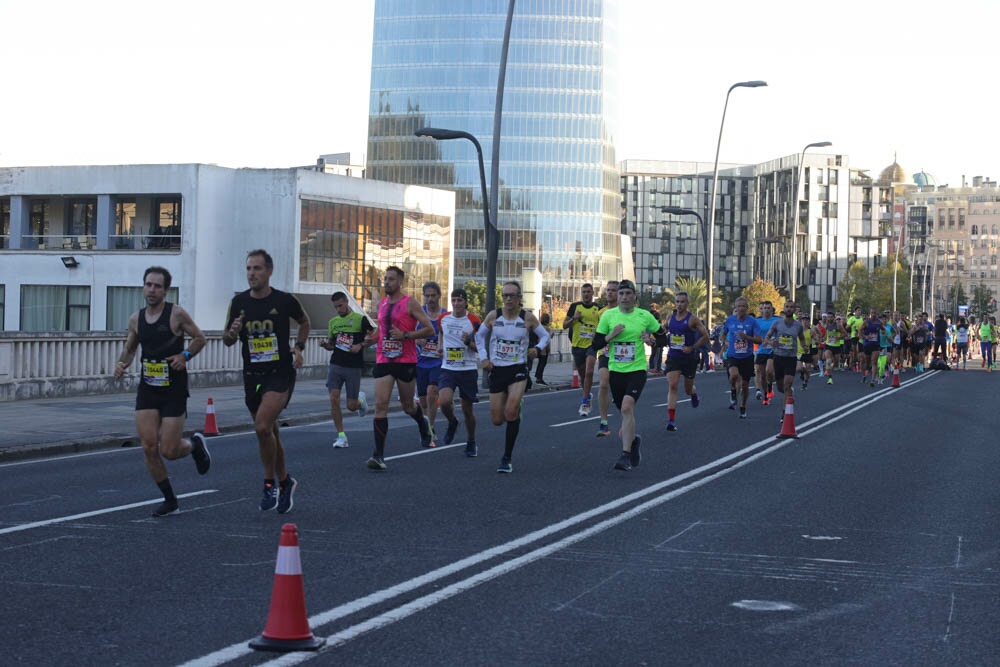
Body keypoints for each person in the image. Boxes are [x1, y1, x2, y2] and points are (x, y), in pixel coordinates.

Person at [114, 266, 210, 517]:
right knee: (148, 446)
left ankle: (194, 445)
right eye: (148, 285)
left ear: (166, 290)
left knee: (169, 450)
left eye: (157, 286)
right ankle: (170, 500)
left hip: (174, 388)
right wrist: (121, 364)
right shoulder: (136, 318)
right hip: (148, 387)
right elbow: (131, 347)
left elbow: (200, 338)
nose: (152, 290)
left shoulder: (176, 314)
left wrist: (185, 355)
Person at [223, 249, 309, 514]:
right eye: (249, 268)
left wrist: (299, 347)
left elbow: (304, 321)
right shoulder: (238, 302)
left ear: (269, 271)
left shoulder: (284, 300)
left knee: (262, 427)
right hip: (252, 374)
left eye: (257, 269)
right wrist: (233, 332)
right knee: (270, 432)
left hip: (280, 371)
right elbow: (227, 339)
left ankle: (269, 482)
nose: (252, 274)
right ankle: (285, 481)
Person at [590, 280, 668, 471]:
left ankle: (625, 455)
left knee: (627, 407)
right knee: (624, 410)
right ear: (617, 297)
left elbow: (663, 337)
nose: (624, 297)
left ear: (634, 296)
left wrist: (650, 341)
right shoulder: (608, 316)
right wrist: (611, 335)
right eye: (621, 293)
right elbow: (596, 344)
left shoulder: (645, 316)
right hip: (616, 370)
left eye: (628, 293)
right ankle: (633, 442)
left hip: (637, 369)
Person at [365, 266, 437, 471]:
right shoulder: (383, 303)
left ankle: (422, 424)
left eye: (391, 279)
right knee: (380, 405)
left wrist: (406, 335)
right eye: (385, 279)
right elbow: (382, 330)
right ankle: (378, 455)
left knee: (408, 406)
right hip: (383, 359)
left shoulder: (410, 303)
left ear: (400, 282)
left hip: (405, 360)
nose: (386, 282)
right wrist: (369, 340)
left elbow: (429, 329)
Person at [475, 281, 550, 473]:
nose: (508, 299)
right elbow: (478, 336)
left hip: (518, 368)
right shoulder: (494, 316)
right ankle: (515, 409)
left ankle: (506, 458)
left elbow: (545, 337)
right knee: (497, 420)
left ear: (519, 299)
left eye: (512, 296)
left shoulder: (528, 318)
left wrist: (537, 349)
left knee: (510, 413)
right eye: (505, 295)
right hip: (498, 370)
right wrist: (484, 358)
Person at [319, 291, 374, 449]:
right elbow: (332, 345)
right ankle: (341, 436)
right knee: (334, 398)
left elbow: (371, 338)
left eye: (340, 306)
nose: (338, 310)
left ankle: (360, 401)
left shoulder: (360, 319)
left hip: (353, 367)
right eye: (335, 307)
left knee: (351, 406)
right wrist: (325, 345)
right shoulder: (333, 322)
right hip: (336, 364)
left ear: (347, 302)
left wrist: (361, 345)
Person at [437, 288, 482, 456]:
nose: (456, 304)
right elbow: (441, 333)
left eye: (459, 300)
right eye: (453, 300)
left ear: (466, 302)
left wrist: (468, 342)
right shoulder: (443, 318)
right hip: (448, 368)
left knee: (467, 410)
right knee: (444, 401)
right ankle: (452, 422)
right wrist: (440, 347)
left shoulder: (474, 321)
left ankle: (471, 441)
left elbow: (481, 348)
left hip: (467, 369)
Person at [664, 291, 709, 431]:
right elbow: (662, 329)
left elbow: (705, 336)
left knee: (687, 390)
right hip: (673, 356)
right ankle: (671, 420)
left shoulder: (692, 319)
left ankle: (693, 393)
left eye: (682, 302)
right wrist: (650, 336)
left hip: (689, 358)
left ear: (687, 303)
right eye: (677, 301)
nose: (679, 304)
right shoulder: (670, 317)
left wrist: (692, 347)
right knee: (672, 385)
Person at [415, 281, 447, 447]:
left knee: (431, 392)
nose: (430, 299)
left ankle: (431, 427)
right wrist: (417, 338)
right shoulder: (418, 314)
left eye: (433, 295)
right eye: (427, 296)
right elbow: (409, 335)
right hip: (421, 362)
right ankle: (425, 427)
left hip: (437, 361)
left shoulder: (445, 316)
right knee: (423, 400)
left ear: (439, 296)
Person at [761, 301, 808, 416]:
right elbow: (767, 337)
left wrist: (805, 346)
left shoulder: (798, 326)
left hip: (791, 358)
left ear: (794, 310)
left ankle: (784, 412)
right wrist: (771, 342)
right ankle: (788, 394)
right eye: (787, 307)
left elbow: (801, 338)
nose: (789, 309)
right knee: (781, 387)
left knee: (787, 385)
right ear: (784, 308)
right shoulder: (777, 323)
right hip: (778, 357)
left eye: (791, 307)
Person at [563, 283, 602, 415]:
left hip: (592, 344)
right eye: (584, 292)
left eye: (588, 292)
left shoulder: (598, 309)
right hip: (577, 345)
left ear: (592, 293)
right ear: (582, 293)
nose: (586, 294)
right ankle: (587, 394)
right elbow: (564, 325)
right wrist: (574, 318)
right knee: (583, 376)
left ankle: (585, 402)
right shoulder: (575, 307)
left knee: (590, 371)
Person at [722, 297, 763, 419]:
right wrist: (724, 341)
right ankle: (733, 390)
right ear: (735, 307)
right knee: (734, 376)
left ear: (747, 308)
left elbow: (759, 340)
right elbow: (723, 333)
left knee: (745, 385)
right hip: (733, 355)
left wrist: (746, 337)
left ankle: (743, 406)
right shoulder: (730, 320)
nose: (741, 309)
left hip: (747, 356)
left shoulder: (752, 322)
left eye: (743, 306)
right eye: (738, 306)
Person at [592, 280, 619, 437]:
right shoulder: (601, 313)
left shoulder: (626, 312)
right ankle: (603, 423)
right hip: (605, 353)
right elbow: (598, 337)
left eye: (613, 290)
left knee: (619, 390)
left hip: (623, 356)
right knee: (603, 384)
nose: (609, 293)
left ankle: (627, 424)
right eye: (608, 290)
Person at [754, 301, 779, 402]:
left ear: (772, 309)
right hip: (761, 350)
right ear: (762, 310)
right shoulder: (757, 321)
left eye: (769, 308)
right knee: (762, 375)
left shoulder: (777, 320)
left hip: (773, 350)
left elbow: (783, 331)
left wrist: (777, 340)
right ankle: (766, 393)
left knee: (769, 371)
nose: (767, 310)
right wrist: (760, 340)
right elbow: (754, 334)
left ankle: (770, 385)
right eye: (765, 308)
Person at [532, 312, 552, 385]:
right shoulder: (547, 328)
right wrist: (548, 349)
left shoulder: (538, 326)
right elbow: (547, 340)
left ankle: (537, 376)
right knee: (542, 364)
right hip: (543, 349)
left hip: (537, 347)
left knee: (539, 363)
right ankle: (539, 378)